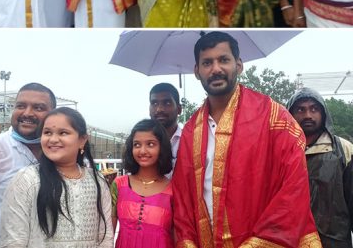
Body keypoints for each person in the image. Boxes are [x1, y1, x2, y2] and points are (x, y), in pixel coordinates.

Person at [172, 32, 321, 247]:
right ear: (197, 71)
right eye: (207, 63)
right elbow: (182, 199)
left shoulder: (273, 117)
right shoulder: (190, 131)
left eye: (223, 60)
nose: (216, 69)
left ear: (239, 65)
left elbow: (294, 187)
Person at [0, 107, 113, 247]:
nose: (53, 139)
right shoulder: (27, 180)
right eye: (47, 132)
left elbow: (105, 236)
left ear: (82, 140)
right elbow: (13, 240)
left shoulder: (97, 181)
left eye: (63, 133)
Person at [0, 83, 56, 248]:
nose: (27, 113)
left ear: (53, 115)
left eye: (38, 108)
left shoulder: (59, 156)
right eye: (20, 106)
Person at [287, 87, 353, 248]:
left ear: (323, 114)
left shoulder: (344, 150)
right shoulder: (279, 151)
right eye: (300, 109)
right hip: (289, 241)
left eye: (314, 109)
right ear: (290, 114)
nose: (308, 115)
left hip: (333, 243)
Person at [111, 119, 173, 247]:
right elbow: (107, 232)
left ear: (162, 147)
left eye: (150, 144)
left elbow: (178, 235)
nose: (142, 151)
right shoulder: (119, 185)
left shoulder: (174, 190)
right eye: (137, 145)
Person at [148, 82, 182, 172]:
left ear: (179, 109)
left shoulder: (190, 140)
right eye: (154, 103)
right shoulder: (142, 142)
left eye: (167, 103)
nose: (159, 109)